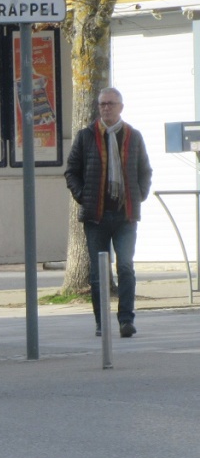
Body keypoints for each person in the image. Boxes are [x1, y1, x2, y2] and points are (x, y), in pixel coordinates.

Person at [64, 86, 152, 338]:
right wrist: (83, 196)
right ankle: (101, 322)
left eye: (111, 104)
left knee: (125, 266)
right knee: (98, 271)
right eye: (102, 104)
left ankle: (126, 320)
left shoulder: (133, 136)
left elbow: (145, 170)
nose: (106, 108)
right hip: (96, 216)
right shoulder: (86, 136)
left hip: (125, 215)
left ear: (121, 107)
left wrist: (139, 194)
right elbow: (71, 171)